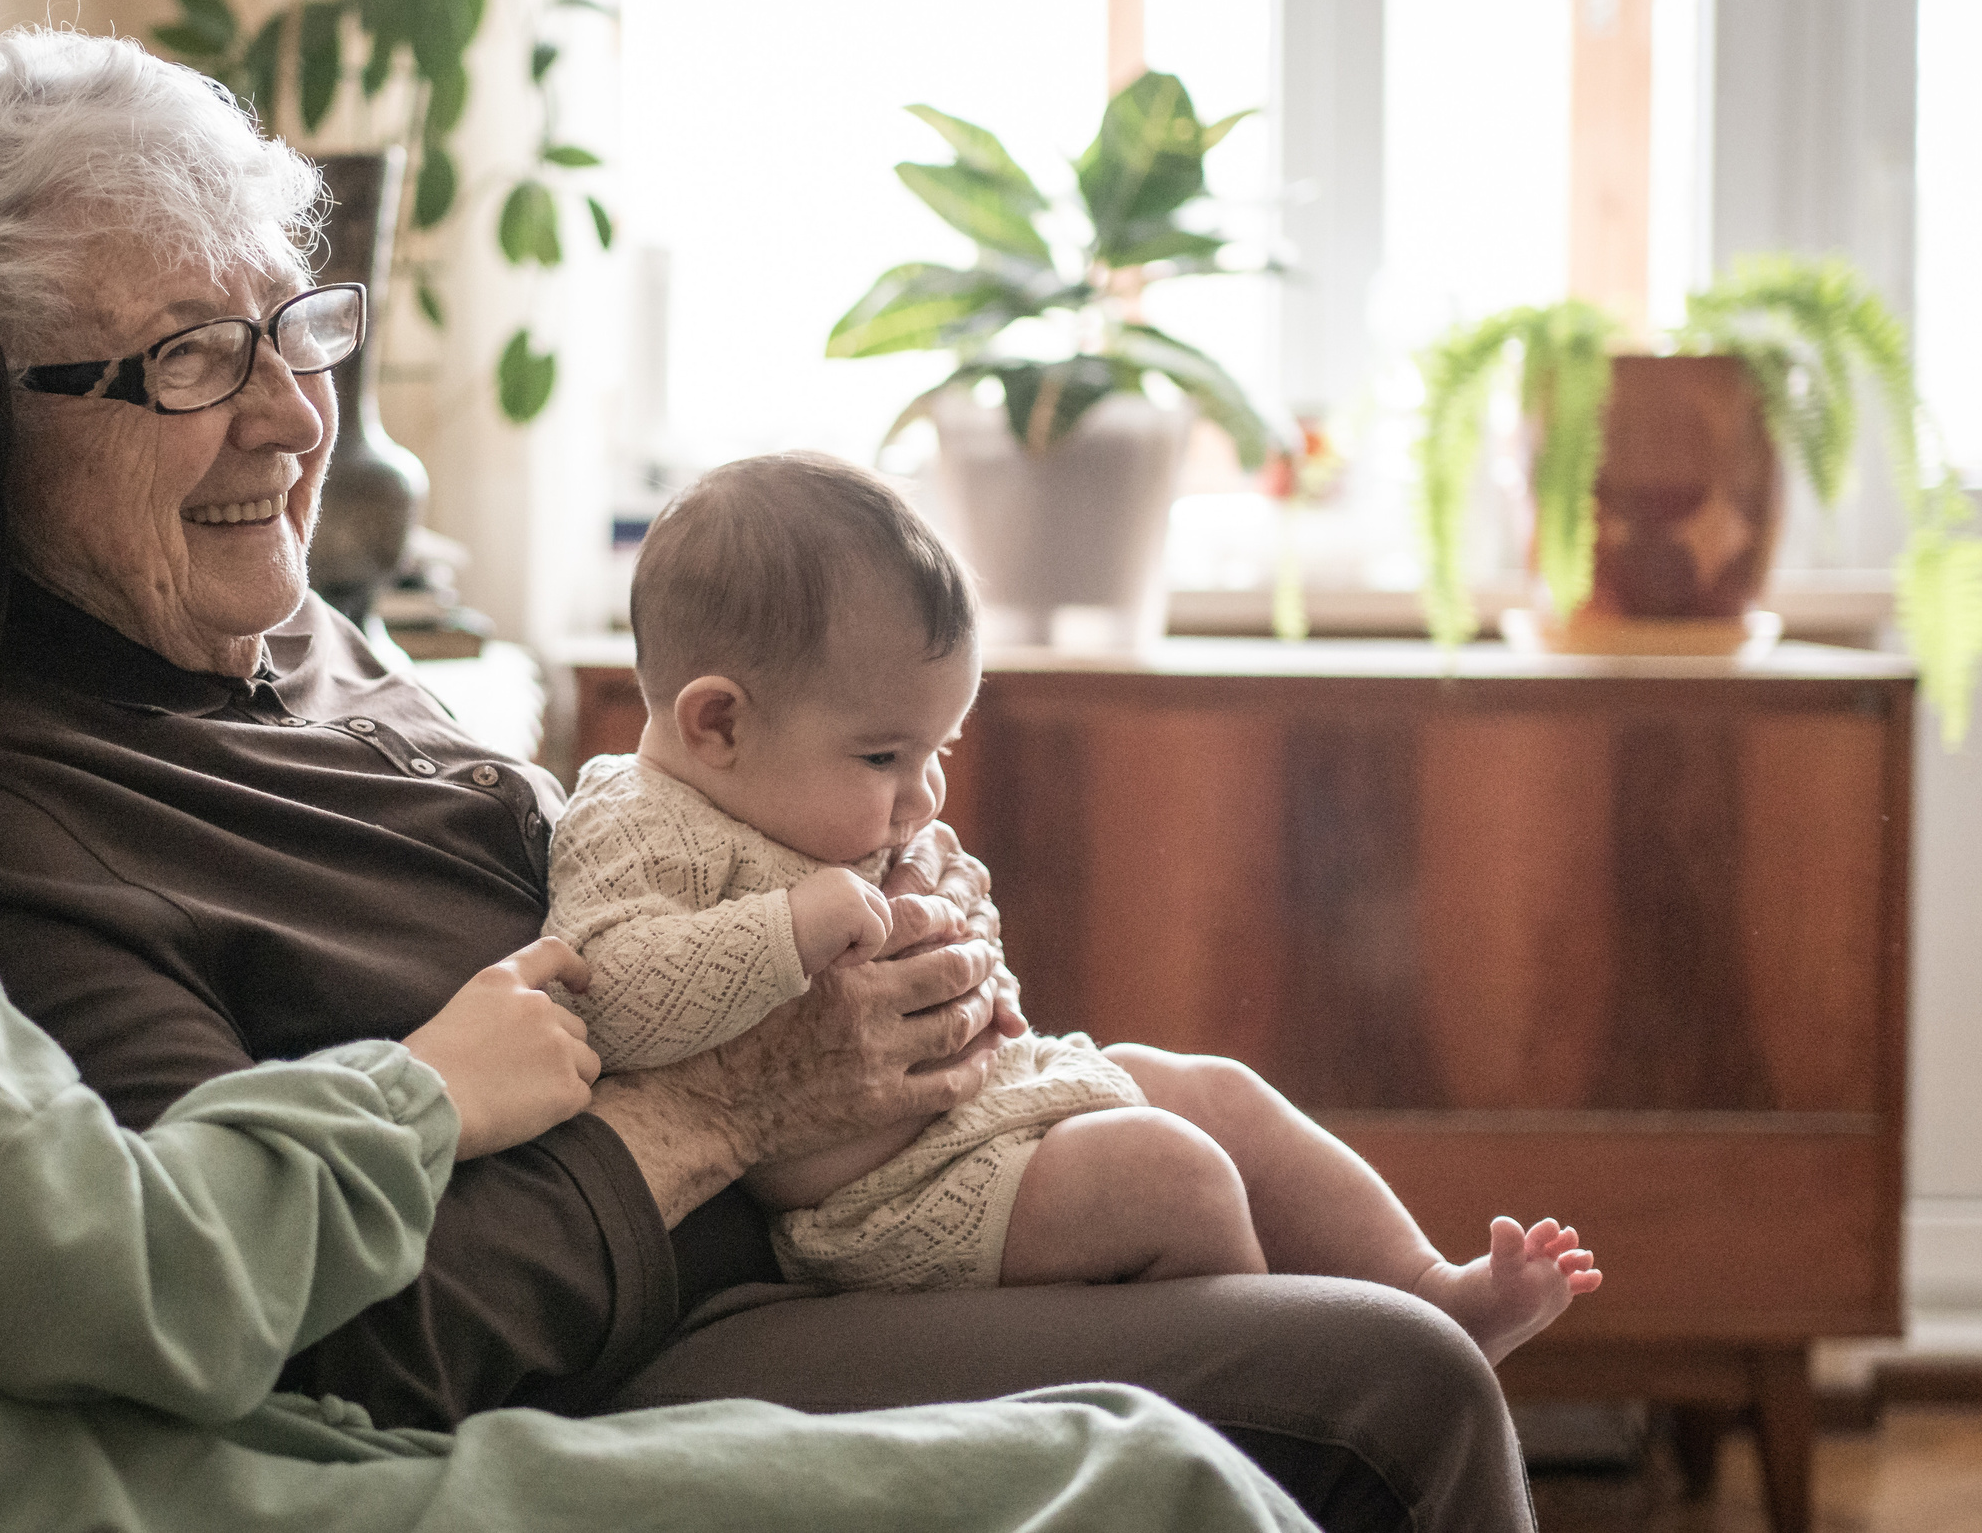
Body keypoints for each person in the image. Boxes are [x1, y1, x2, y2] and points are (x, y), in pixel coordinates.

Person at [0, 173, 1313, 1533]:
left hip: (148, 1456)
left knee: (1153, 1438)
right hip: (62, 1483)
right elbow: (109, 1278)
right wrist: (430, 1090)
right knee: (1147, 1479)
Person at [0, 27, 1539, 1531]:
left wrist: (882, 895)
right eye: (187, 359)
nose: (296, 415)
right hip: (641, 1342)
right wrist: (728, 1111)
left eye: (291, 325)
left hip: (816, 1214)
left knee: (1248, 1152)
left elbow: (635, 863)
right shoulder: (24, 827)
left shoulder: (296, 637)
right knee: (1396, 1384)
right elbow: (313, 1335)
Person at [543, 452, 1603, 1362]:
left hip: (1004, 1105)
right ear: (716, 722)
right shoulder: (634, 821)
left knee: (1213, 1092)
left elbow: (957, 969)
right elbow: (611, 995)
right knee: (1170, 1175)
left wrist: (952, 921)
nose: (922, 793)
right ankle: (1269, 1410)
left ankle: (1427, 1294)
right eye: (882, 755)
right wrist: (798, 924)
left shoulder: (824, 808)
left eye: (936, 753)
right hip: (878, 1205)